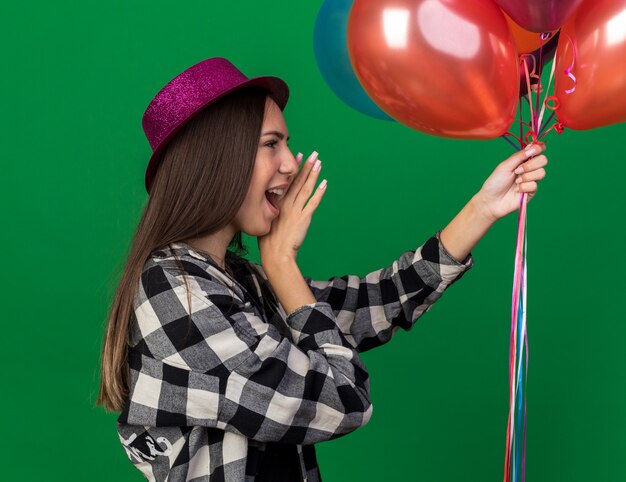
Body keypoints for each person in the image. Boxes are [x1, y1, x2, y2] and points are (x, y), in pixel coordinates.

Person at [97, 57, 548, 482]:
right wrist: (282, 264)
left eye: (287, 144)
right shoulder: (173, 290)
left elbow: (379, 301)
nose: (291, 164)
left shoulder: (235, 280)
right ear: (217, 158)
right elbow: (340, 399)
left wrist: (483, 208)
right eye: (271, 144)